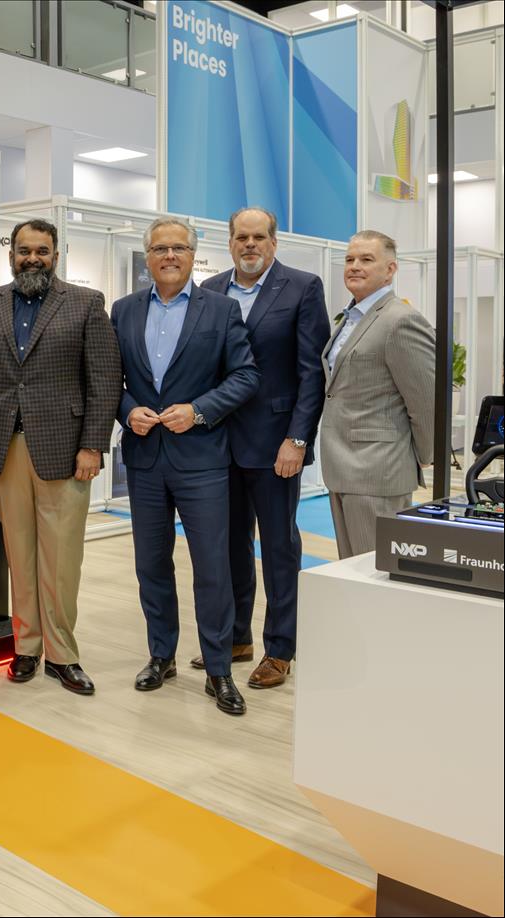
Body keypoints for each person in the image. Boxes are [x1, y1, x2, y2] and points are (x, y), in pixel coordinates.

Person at [0, 218, 121, 693]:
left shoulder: (86, 303)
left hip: (65, 449)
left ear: (56, 256)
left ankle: (62, 655)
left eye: (42, 251)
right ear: (11, 255)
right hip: (2, 445)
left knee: (61, 559)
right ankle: (26, 646)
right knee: (18, 552)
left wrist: (93, 445)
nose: (32, 259)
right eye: (24, 250)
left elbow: (104, 379)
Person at [111, 217, 260, 716]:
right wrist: (127, 409)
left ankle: (219, 669)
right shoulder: (124, 310)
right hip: (145, 460)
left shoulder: (221, 309)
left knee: (212, 568)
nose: (169, 256)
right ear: (148, 257)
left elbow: (246, 376)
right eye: (159, 249)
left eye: (178, 248)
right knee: (151, 564)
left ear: (194, 256)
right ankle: (161, 655)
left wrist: (198, 411)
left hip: (202, 460)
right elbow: (110, 378)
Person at [194, 207, 330, 689]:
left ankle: (280, 648)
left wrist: (297, 439)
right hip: (218, 444)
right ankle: (236, 638)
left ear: (273, 242)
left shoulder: (303, 287)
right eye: (241, 237)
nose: (249, 245)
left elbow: (312, 374)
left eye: (258, 237)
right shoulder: (210, 290)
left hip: (276, 446)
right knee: (229, 546)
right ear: (229, 242)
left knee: (278, 549)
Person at [320, 230, 435, 558]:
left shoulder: (401, 320)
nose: (355, 266)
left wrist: (424, 455)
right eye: (350, 259)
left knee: (376, 571)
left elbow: (426, 401)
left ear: (390, 269)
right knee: (350, 570)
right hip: (342, 467)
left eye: (366, 259)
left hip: (378, 471)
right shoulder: (350, 319)